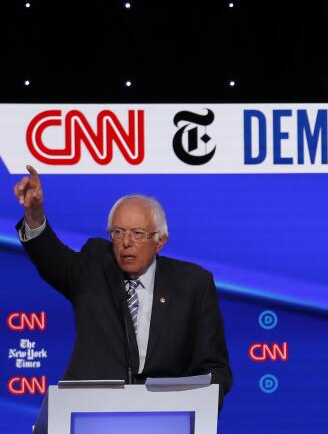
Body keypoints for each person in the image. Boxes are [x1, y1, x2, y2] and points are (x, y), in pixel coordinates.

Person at [12, 165, 233, 400]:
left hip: (167, 418)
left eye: (137, 233)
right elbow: (51, 258)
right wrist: (34, 215)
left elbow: (214, 369)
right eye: (118, 232)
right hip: (93, 411)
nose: (126, 242)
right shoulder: (95, 268)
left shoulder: (192, 285)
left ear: (160, 242)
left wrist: (193, 409)